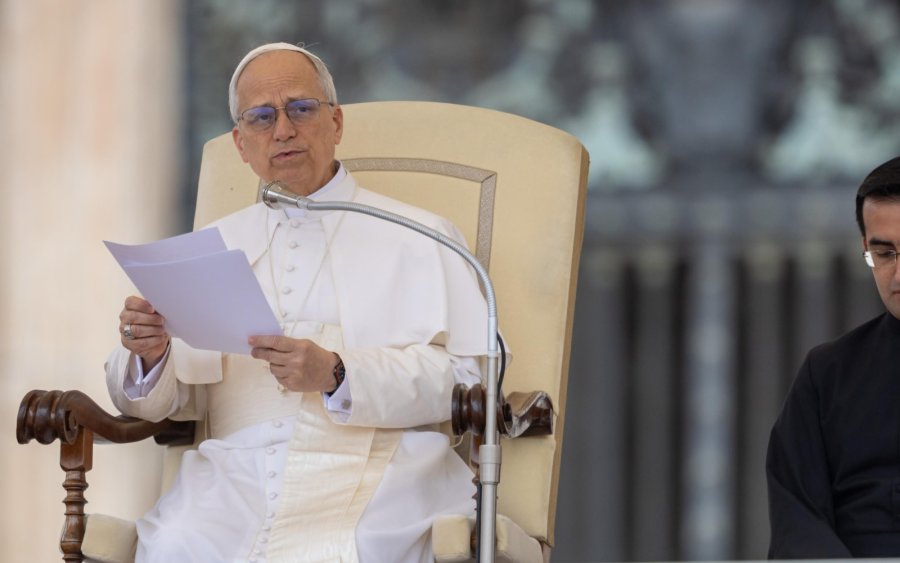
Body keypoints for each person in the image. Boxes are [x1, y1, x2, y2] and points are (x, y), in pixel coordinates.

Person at [106, 42, 488, 563]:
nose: (282, 130)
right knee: (174, 545)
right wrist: (149, 355)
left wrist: (338, 373)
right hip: (234, 478)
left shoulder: (420, 234)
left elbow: (471, 382)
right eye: (260, 118)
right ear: (241, 145)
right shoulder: (210, 245)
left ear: (336, 122)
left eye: (301, 109)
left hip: (377, 469)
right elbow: (162, 403)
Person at [766, 155, 900, 558]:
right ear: (865, 249)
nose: (898, 276)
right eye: (885, 253)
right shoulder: (827, 374)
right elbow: (796, 519)